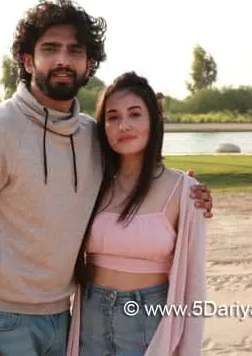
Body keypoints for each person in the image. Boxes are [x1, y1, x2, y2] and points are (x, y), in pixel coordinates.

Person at [0, 0, 213, 356]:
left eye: (75, 50)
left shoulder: (92, 136)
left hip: (66, 319)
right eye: (50, 48)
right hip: (0, 321)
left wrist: (191, 193)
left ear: (88, 64)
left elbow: (135, 174)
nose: (63, 59)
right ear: (28, 60)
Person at [66, 72, 207, 355]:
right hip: (90, 316)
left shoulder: (185, 191)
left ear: (153, 120)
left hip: (147, 319)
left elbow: (194, 286)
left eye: (134, 114)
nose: (124, 126)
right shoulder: (91, 184)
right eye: (113, 117)